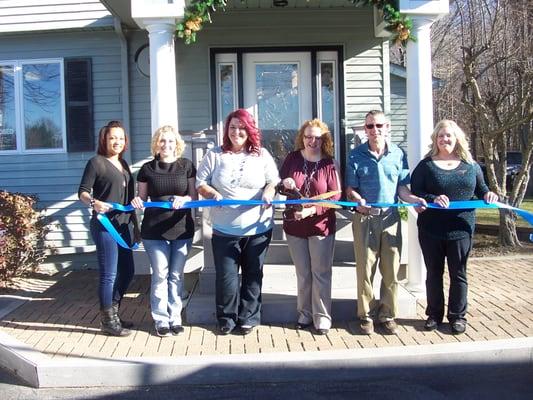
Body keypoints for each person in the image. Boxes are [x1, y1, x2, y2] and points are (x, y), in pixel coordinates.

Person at [196, 109, 279, 335]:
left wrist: (269, 192)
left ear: (249, 130)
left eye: (241, 127)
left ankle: (249, 318)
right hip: (224, 230)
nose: (236, 132)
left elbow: (273, 181)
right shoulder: (215, 154)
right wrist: (212, 194)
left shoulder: (261, 154)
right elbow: (200, 183)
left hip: (258, 228)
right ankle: (226, 319)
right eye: (232, 127)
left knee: (253, 274)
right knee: (226, 277)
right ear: (227, 130)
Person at [411, 120, 498, 334]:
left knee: (458, 273)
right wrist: (432, 197)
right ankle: (433, 314)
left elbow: (482, 189)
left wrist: (488, 194)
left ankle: (458, 316)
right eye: (440, 136)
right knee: (434, 273)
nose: (444, 139)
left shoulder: (471, 165)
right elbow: (416, 191)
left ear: (457, 138)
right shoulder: (426, 165)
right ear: (435, 139)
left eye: (448, 135)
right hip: (431, 229)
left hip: (461, 229)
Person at [345, 110, 426, 335]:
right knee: (365, 270)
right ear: (365, 129)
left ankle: (388, 315)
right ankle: (366, 316)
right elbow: (350, 189)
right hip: (364, 218)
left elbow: (402, 188)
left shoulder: (398, 154)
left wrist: (414, 199)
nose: (374, 130)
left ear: (387, 127)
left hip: (391, 218)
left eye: (378, 125)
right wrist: (358, 200)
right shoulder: (355, 155)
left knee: (391, 270)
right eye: (369, 126)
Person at [131, 126, 197, 337]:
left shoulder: (186, 166)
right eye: (162, 141)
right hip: (154, 231)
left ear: (176, 143)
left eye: (170, 141)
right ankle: (161, 319)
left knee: (176, 275)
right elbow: (142, 198)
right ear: (156, 144)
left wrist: (185, 199)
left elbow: (194, 197)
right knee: (160, 274)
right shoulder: (147, 168)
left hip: (181, 229)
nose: (166, 145)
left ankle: (175, 317)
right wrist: (136, 201)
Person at [278, 119, 341, 335]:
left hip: (320, 226)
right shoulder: (292, 158)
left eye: (316, 137)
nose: (312, 141)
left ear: (324, 140)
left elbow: (336, 196)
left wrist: (311, 210)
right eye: (308, 136)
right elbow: (280, 186)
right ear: (302, 138)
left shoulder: (329, 163)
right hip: (295, 226)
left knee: (321, 273)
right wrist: (285, 184)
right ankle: (304, 313)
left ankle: (322, 317)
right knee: (303, 273)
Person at [78, 120, 137, 337]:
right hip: (104, 226)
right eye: (113, 137)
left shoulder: (124, 164)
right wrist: (94, 202)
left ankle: (113, 311)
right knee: (109, 275)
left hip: (123, 227)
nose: (117, 142)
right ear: (105, 139)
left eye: (121, 138)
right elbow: (82, 192)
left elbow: (129, 199)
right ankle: (107, 321)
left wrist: (136, 226)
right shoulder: (96, 163)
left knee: (128, 271)